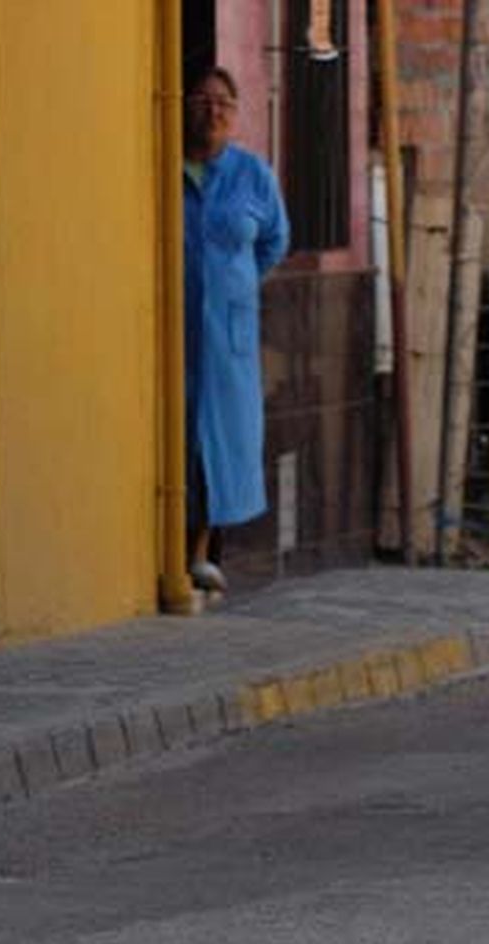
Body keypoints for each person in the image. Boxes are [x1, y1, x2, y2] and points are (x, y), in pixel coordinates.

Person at [183, 67, 290, 594]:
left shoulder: (253, 175)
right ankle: (176, 549)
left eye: (224, 101)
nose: (214, 110)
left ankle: (201, 549)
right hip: (173, 328)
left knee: (220, 442)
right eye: (203, 99)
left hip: (228, 335)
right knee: (179, 433)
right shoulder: (166, 167)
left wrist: (235, 287)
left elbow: (274, 241)